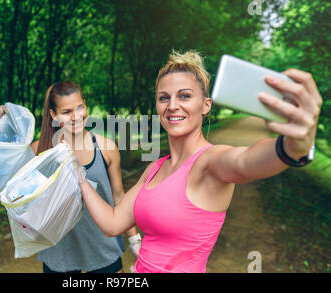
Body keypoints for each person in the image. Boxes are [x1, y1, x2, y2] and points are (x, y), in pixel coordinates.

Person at [72, 50, 322, 273]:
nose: (172, 106)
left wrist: (294, 146)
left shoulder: (210, 162)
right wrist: (79, 177)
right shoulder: (155, 168)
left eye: (184, 96)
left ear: (205, 105)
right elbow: (113, 224)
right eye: (163, 98)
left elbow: (246, 161)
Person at [0, 81, 142, 273]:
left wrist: (134, 239)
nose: (76, 116)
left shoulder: (106, 148)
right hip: (60, 252)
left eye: (80, 107)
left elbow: (119, 197)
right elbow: (2, 177)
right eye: (67, 111)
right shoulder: (39, 150)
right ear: (53, 114)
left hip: (103, 248)